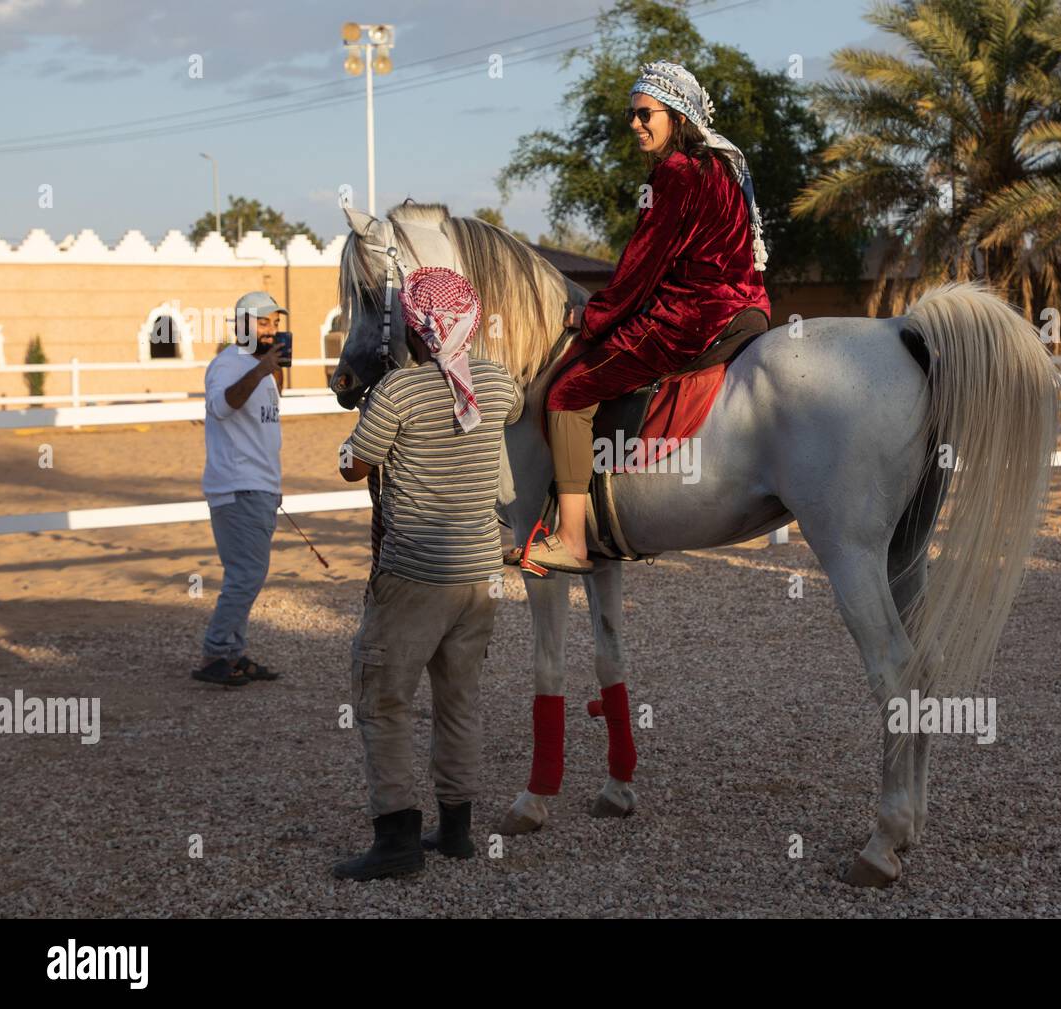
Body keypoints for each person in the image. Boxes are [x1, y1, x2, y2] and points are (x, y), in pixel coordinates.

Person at [517, 60, 773, 575]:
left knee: (566, 392)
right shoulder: (721, 167)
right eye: (631, 114)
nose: (634, 123)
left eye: (643, 113)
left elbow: (641, 267)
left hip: (690, 316)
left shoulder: (676, 173)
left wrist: (593, 318)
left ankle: (570, 537)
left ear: (676, 114)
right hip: (746, 310)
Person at [333, 266, 523, 882]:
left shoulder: (399, 393)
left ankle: (396, 839)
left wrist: (354, 434)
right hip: (479, 576)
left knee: (383, 700)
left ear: (413, 327)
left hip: (415, 576)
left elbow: (354, 468)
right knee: (458, 699)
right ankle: (458, 831)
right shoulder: (496, 386)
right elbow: (510, 405)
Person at [192, 291, 286, 687]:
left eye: (275, 324)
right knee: (246, 574)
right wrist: (261, 371)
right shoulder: (227, 365)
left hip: (261, 487)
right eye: (263, 323)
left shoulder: (259, 368)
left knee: (248, 573)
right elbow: (222, 405)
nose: (271, 330)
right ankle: (215, 654)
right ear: (242, 324)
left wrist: (269, 371)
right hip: (237, 487)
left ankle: (231, 654)